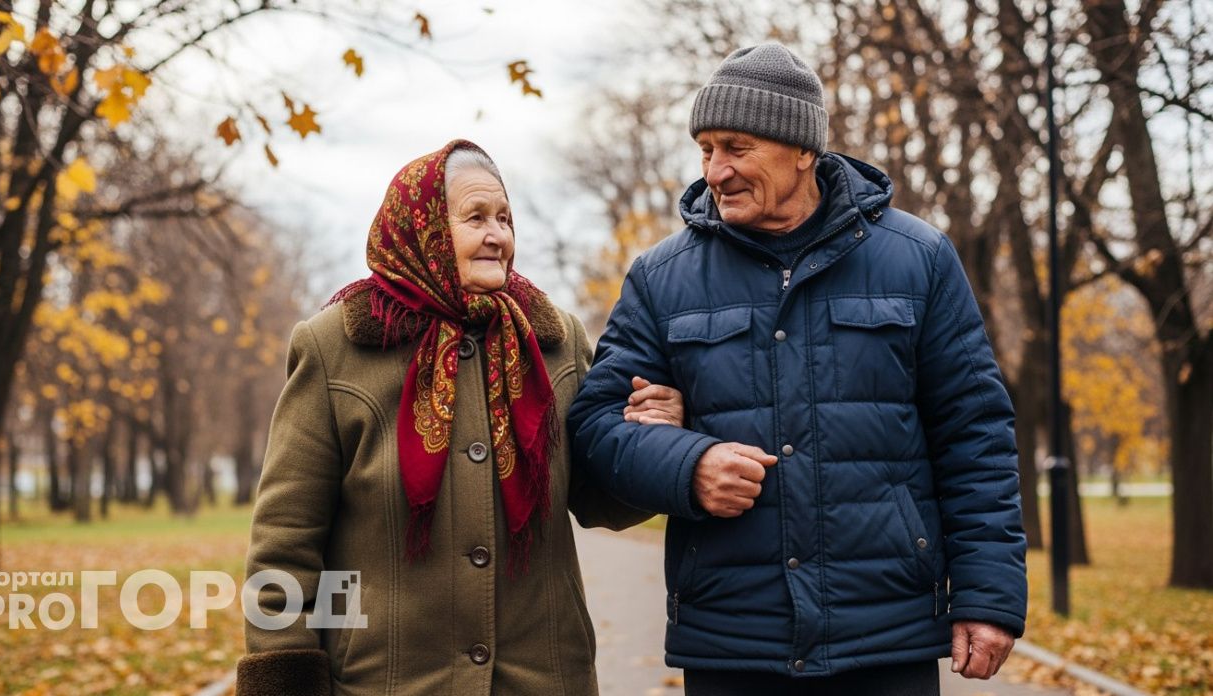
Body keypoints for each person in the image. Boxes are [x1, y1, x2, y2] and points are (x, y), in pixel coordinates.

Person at [568, 43, 1027, 695]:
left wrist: (988, 597)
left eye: (737, 147)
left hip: (885, 635)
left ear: (803, 150)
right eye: (706, 150)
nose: (716, 171)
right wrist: (687, 464)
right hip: (733, 640)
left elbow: (974, 434)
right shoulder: (661, 278)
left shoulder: (918, 258)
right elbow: (594, 429)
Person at [237, 140, 685, 696]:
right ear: (419, 227)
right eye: (476, 218)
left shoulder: (555, 342)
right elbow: (286, 543)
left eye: (504, 218)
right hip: (386, 683)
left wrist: (649, 442)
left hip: (544, 680)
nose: (497, 235)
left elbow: (599, 500)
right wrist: (286, 679)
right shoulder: (337, 347)